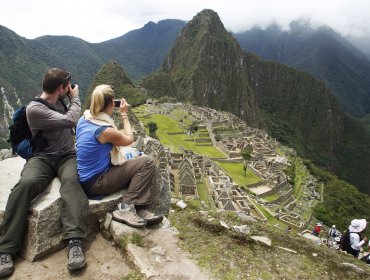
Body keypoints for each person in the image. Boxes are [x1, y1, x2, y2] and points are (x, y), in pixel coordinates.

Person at [0, 68, 88, 278]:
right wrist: (76, 99)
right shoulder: (35, 109)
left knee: (72, 182)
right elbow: (70, 121)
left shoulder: (59, 99)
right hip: (43, 157)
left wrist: (68, 97)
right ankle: (6, 248)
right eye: (68, 85)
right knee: (26, 184)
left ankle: (74, 241)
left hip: (67, 155)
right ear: (60, 88)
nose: (71, 88)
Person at [76, 84, 162, 228]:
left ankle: (139, 208)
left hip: (87, 176)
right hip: (96, 183)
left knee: (134, 157)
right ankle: (125, 208)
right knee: (147, 162)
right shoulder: (104, 130)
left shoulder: (84, 119)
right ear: (111, 103)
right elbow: (129, 139)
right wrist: (124, 115)